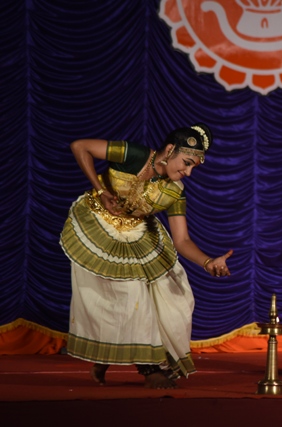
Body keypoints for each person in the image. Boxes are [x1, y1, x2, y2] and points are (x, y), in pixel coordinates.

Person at [60, 123, 233, 389]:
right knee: (132, 294)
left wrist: (208, 262)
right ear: (170, 149)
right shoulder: (135, 154)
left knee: (176, 296)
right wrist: (101, 191)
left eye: (193, 168)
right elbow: (79, 146)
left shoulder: (175, 192)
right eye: (186, 163)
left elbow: (182, 240)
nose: (188, 172)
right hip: (100, 227)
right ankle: (150, 369)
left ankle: (109, 356)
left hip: (137, 234)